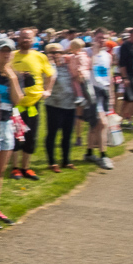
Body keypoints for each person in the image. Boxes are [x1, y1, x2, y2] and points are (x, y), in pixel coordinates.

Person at [0, 38, 24, 228]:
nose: (6, 54)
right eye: (3, 50)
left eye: (9, 51)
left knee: (0, 172)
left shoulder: (15, 75)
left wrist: (13, 78)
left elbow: (18, 101)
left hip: (7, 125)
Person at [10, 28, 55, 180]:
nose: (25, 40)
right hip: (16, 105)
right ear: (18, 38)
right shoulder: (12, 56)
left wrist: (48, 90)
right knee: (17, 135)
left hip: (33, 105)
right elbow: (3, 72)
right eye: (23, 37)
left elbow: (51, 74)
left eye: (28, 38)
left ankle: (26, 168)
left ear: (33, 40)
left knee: (31, 136)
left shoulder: (40, 57)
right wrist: (17, 76)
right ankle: (15, 168)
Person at [43, 43, 79, 171]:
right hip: (54, 105)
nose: (56, 55)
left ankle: (66, 161)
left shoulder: (67, 66)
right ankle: (52, 162)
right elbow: (51, 78)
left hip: (70, 105)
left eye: (58, 52)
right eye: (52, 53)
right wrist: (52, 63)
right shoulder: (46, 68)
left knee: (68, 134)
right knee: (52, 133)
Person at [83, 28, 115, 169]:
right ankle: (103, 155)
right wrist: (94, 52)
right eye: (99, 37)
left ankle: (89, 153)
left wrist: (112, 95)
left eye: (104, 38)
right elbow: (90, 68)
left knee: (95, 124)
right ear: (93, 37)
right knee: (102, 124)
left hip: (104, 91)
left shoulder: (108, 55)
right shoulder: (87, 53)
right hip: (91, 92)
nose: (101, 40)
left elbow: (109, 76)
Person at [116, 25, 133, 127]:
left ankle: (125, 120)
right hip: (129, 75)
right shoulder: (125, 46)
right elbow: (122, 63)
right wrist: (125, 78)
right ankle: (125, 119)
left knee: (130, 99)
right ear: (131, 34)